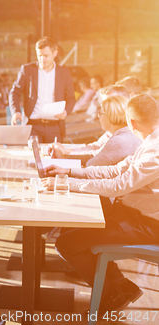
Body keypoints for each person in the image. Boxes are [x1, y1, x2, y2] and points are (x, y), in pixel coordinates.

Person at [42, 94, 159, 313]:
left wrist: (69, 184)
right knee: (77, 230)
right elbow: (115, 170)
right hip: (132, 216)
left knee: (67, 243)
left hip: (146, 225)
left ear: (131, 123)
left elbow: (117, 185)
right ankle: (119, 287)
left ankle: (113, 293)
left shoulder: (155, 151)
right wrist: (70, 172)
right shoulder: (150, 142)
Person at [9, 36, 76, 142]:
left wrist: (66, 112)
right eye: (39, 55)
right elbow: (14, 93)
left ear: (55, 53)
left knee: (54, 157)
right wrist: (16, 111)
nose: (42, 59)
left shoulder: (64, 73)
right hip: (33, 126)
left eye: (46, 55)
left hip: (55, 127)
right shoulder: (27, 70)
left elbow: (71, 98)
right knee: (32, 158)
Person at [51, 95, 141, 166]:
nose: (98, 117)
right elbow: (96, 154)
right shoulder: (124, 133)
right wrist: (65, 155)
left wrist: (65, 158)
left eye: (100, 114)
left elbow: (91, 165)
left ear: (110, 116)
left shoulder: (120, 140)